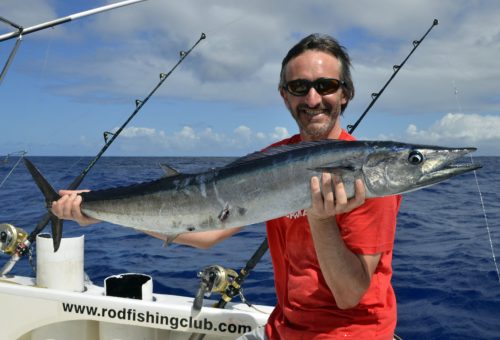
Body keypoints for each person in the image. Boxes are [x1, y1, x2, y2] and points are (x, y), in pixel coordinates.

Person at [51, 33, 401, 339]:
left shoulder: (368, 178)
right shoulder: (271, 160)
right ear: (284, 95)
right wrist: (98, 212)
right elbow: (208, 233)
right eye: (299, 87)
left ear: (346, 94)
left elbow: (349, 295)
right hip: (283, 328)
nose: (312, 99)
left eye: (325, 85)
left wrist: (321, 220)